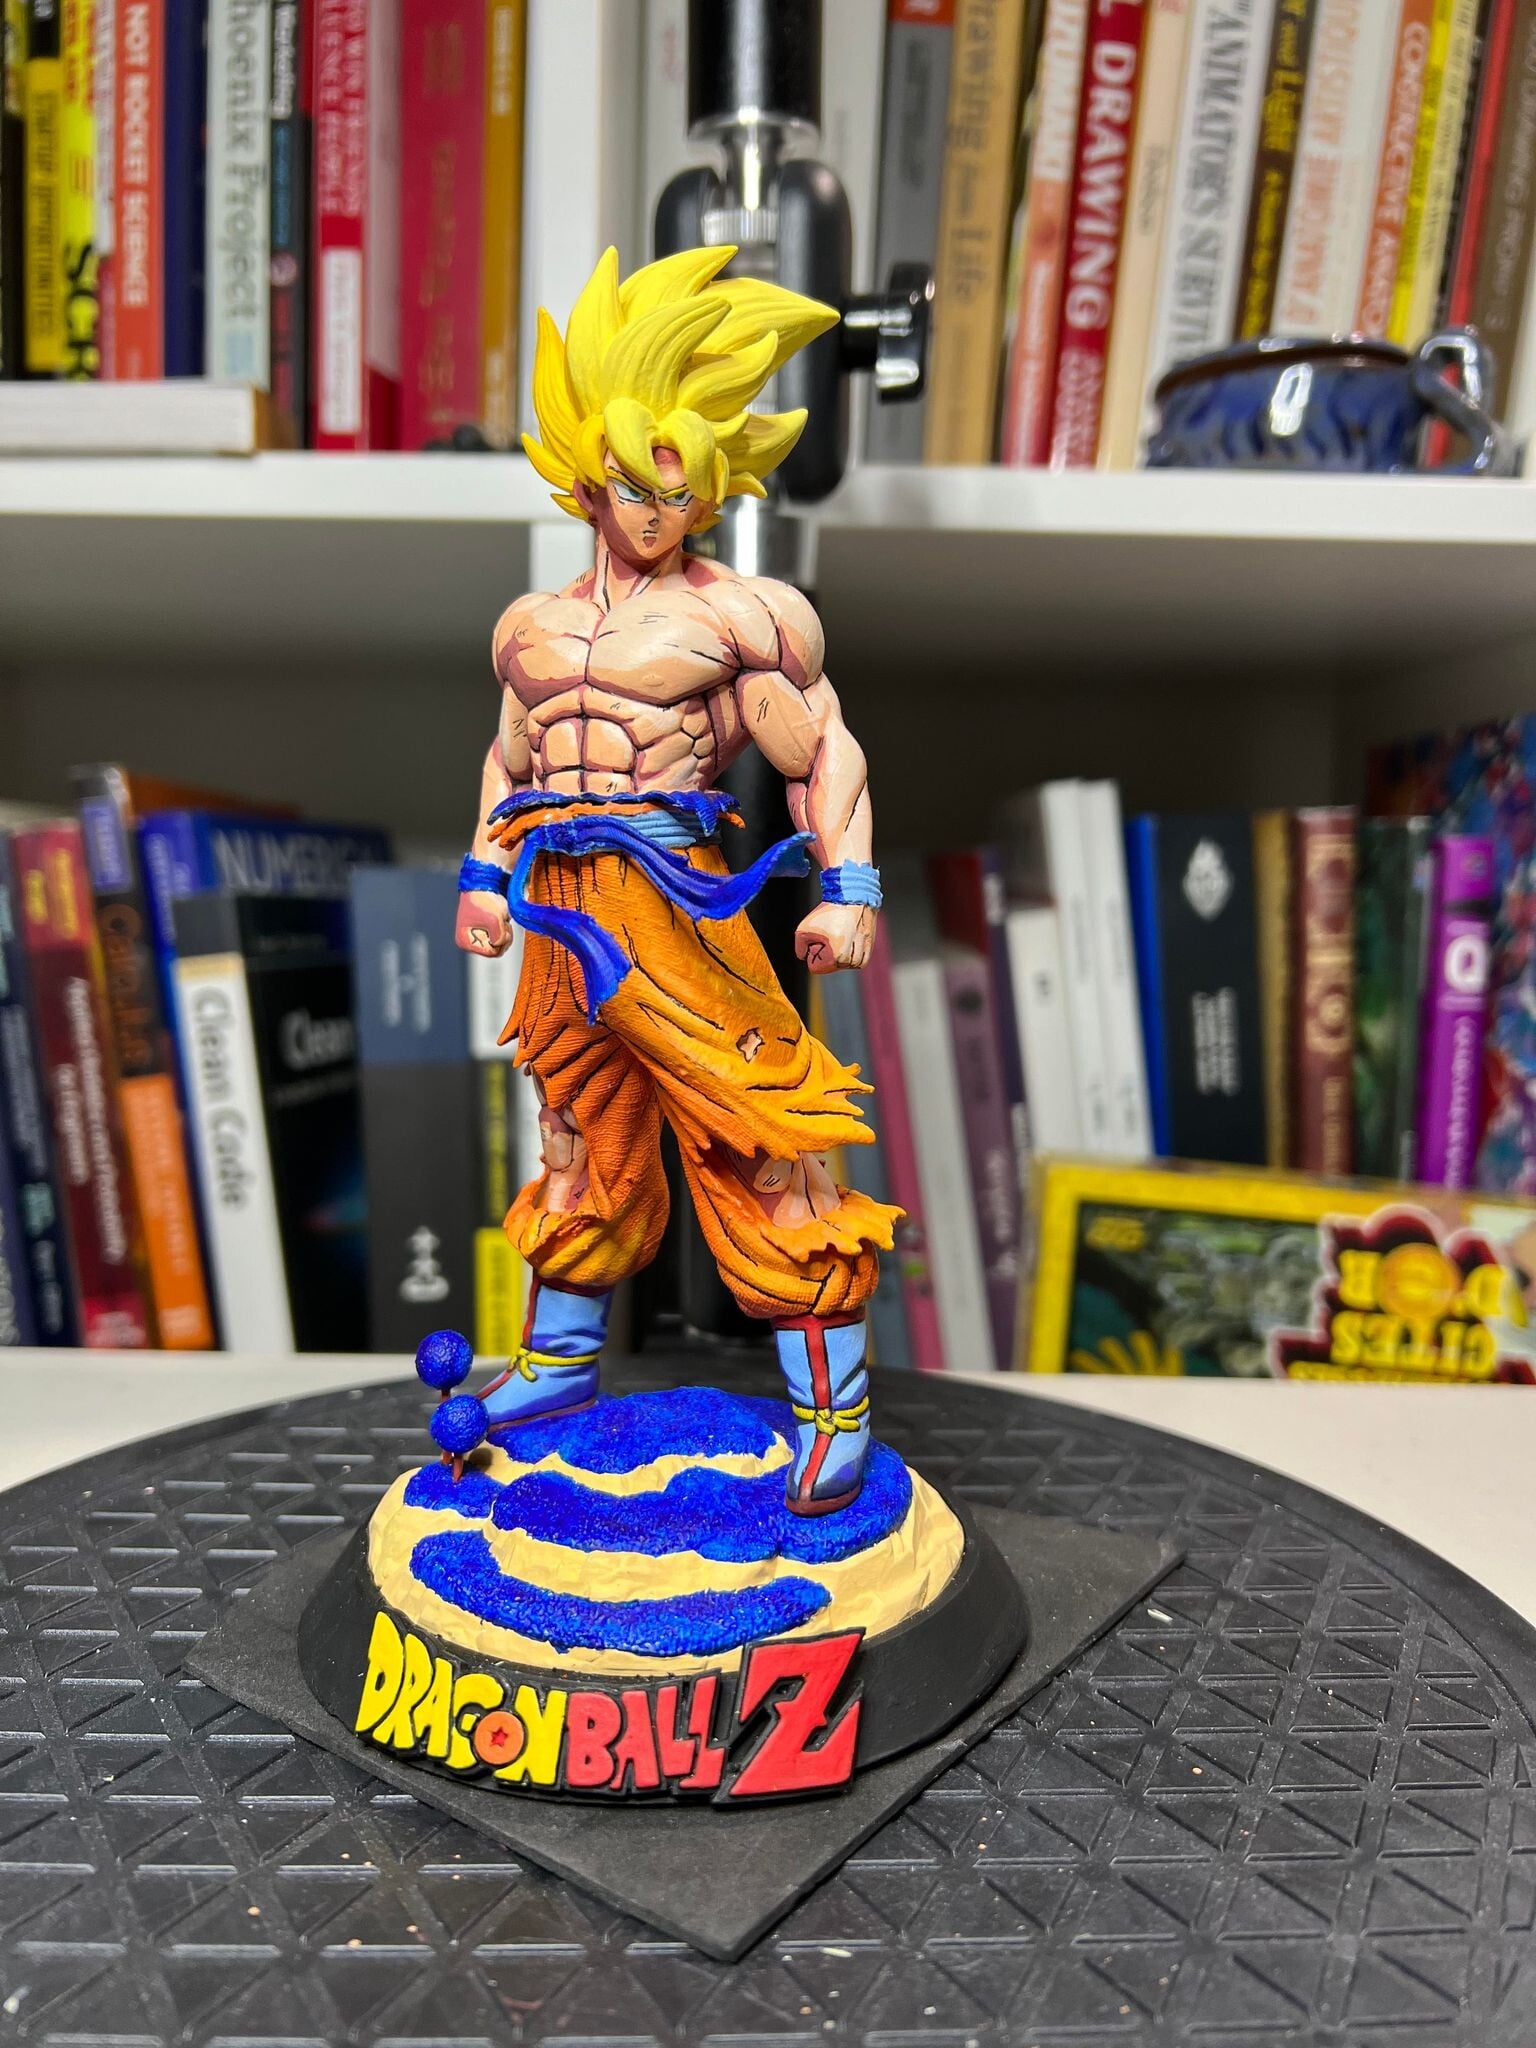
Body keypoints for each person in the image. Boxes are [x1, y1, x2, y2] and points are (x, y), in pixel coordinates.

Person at [454, 245, 898, 1514]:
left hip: (675, 902)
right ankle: (556, 1364)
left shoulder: (739, 615)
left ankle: (834, 1410)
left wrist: (850, 888)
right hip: (558, 902)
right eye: (637, 481)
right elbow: (508, 756)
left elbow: (825, 745)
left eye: (682, 485)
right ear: (588, 466)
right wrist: (483, 872)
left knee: (761, 1131)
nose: (658, 511)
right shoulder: (529, 627)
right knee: (575, 1128)